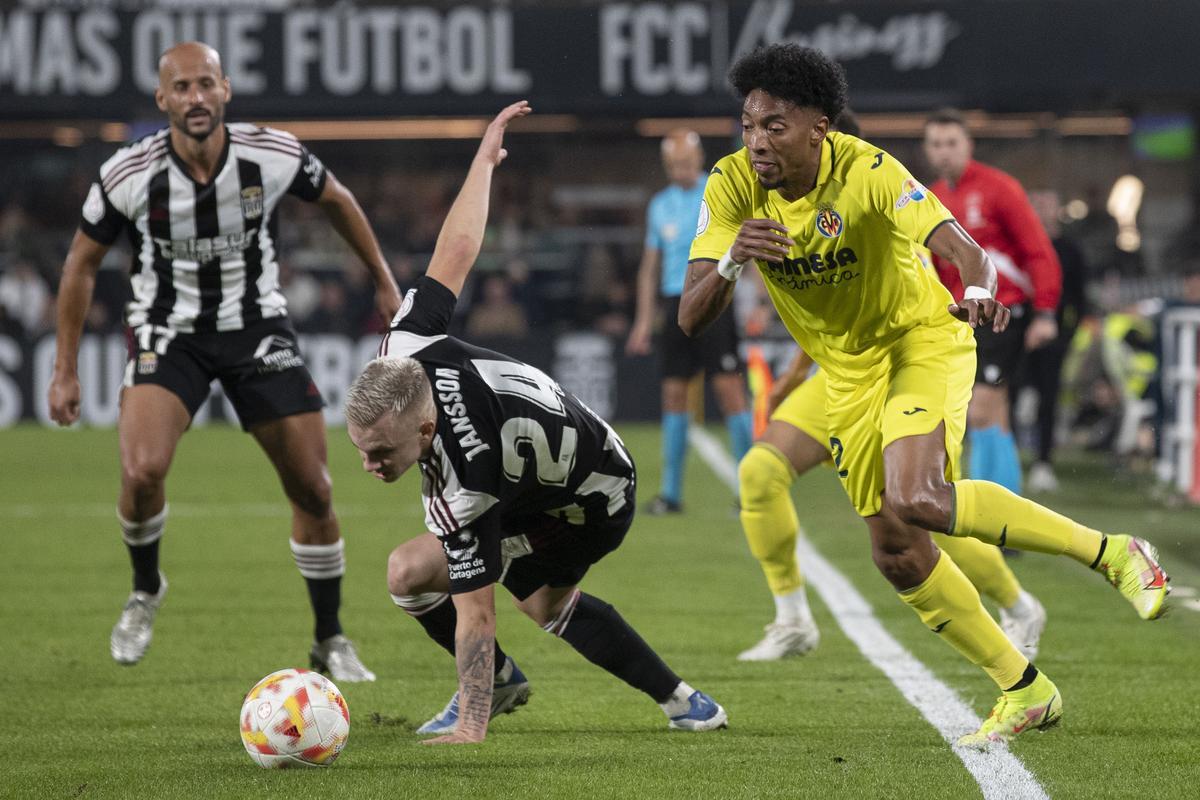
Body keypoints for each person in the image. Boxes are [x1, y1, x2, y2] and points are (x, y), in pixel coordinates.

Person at [680, 43, 1170, 749]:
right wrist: (732, 258)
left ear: (820, 127)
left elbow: (966, 251)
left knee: (918, 498)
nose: (757, 141)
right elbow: (690, 316)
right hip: (844, 375)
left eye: (775, 126)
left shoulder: (870, 170)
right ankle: (1026, 690)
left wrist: (976, 291)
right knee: (897, 552)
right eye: (750, 124)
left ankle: (1116, 553)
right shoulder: (730, 185)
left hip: (918, 342)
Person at [345, 102, 727, 745]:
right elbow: (459, 247)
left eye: (382, 452)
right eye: (362, 449)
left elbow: (476, 611)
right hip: (542, 473)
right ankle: (684, 702)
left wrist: (469, 730)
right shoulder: (403, 343)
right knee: (487, 586)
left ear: (425, 431)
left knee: (467, 586)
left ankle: (500, 695)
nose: (369, 466)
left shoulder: (468, 471)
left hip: (590, 496)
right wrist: (482, 164)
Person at [47, 42, 401, 681]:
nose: (196, 97)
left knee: (315, 490)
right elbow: (80, 264)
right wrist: (64, 369)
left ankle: (330, 637)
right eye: (181, 88)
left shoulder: (272, 153)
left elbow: (338, 200)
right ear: (164, 101)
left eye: (206, 84)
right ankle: (146, 588)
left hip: (256, 328)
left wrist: (380, 277)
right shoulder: (129, 174)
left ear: (226, 90)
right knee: (143, 468)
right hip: (168, 332)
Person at [924, 110, 1062, 495]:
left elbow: (1038, 251)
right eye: (936, 144)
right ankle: (1004, 524)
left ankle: (985, 513)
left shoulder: (999, 188)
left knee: (979, 411)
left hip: (1006, 314)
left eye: (952, 143)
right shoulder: (932, 197)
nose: (944, 151)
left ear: (968, 145)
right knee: (994, 416)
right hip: (965, 321)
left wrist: (1045, 312)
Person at [626, 130, 753, 514]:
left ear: (699, 160)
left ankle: (749, 491)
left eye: (686, 162)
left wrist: (759, 300)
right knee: (674, 395)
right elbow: (649, 268)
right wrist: (643, 322)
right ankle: (670, 493)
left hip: (715, 294)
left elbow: (747, 243)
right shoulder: (659, 205)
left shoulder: (717, 191)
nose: (681, 170)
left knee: (730, 390)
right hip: (673, 302)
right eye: (674, 165)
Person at [1023, 189, 1090, 491]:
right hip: (1017, 334)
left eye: (1047, 204)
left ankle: (1043, 462)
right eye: (1037, 203)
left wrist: (1068, 336)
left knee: (1048, 399)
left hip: (1053, 337)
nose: (1041, 209)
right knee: (1005, 396)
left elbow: (1080, 297)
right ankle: (1008, 459)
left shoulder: (1070, 250)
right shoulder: (1019, 244)